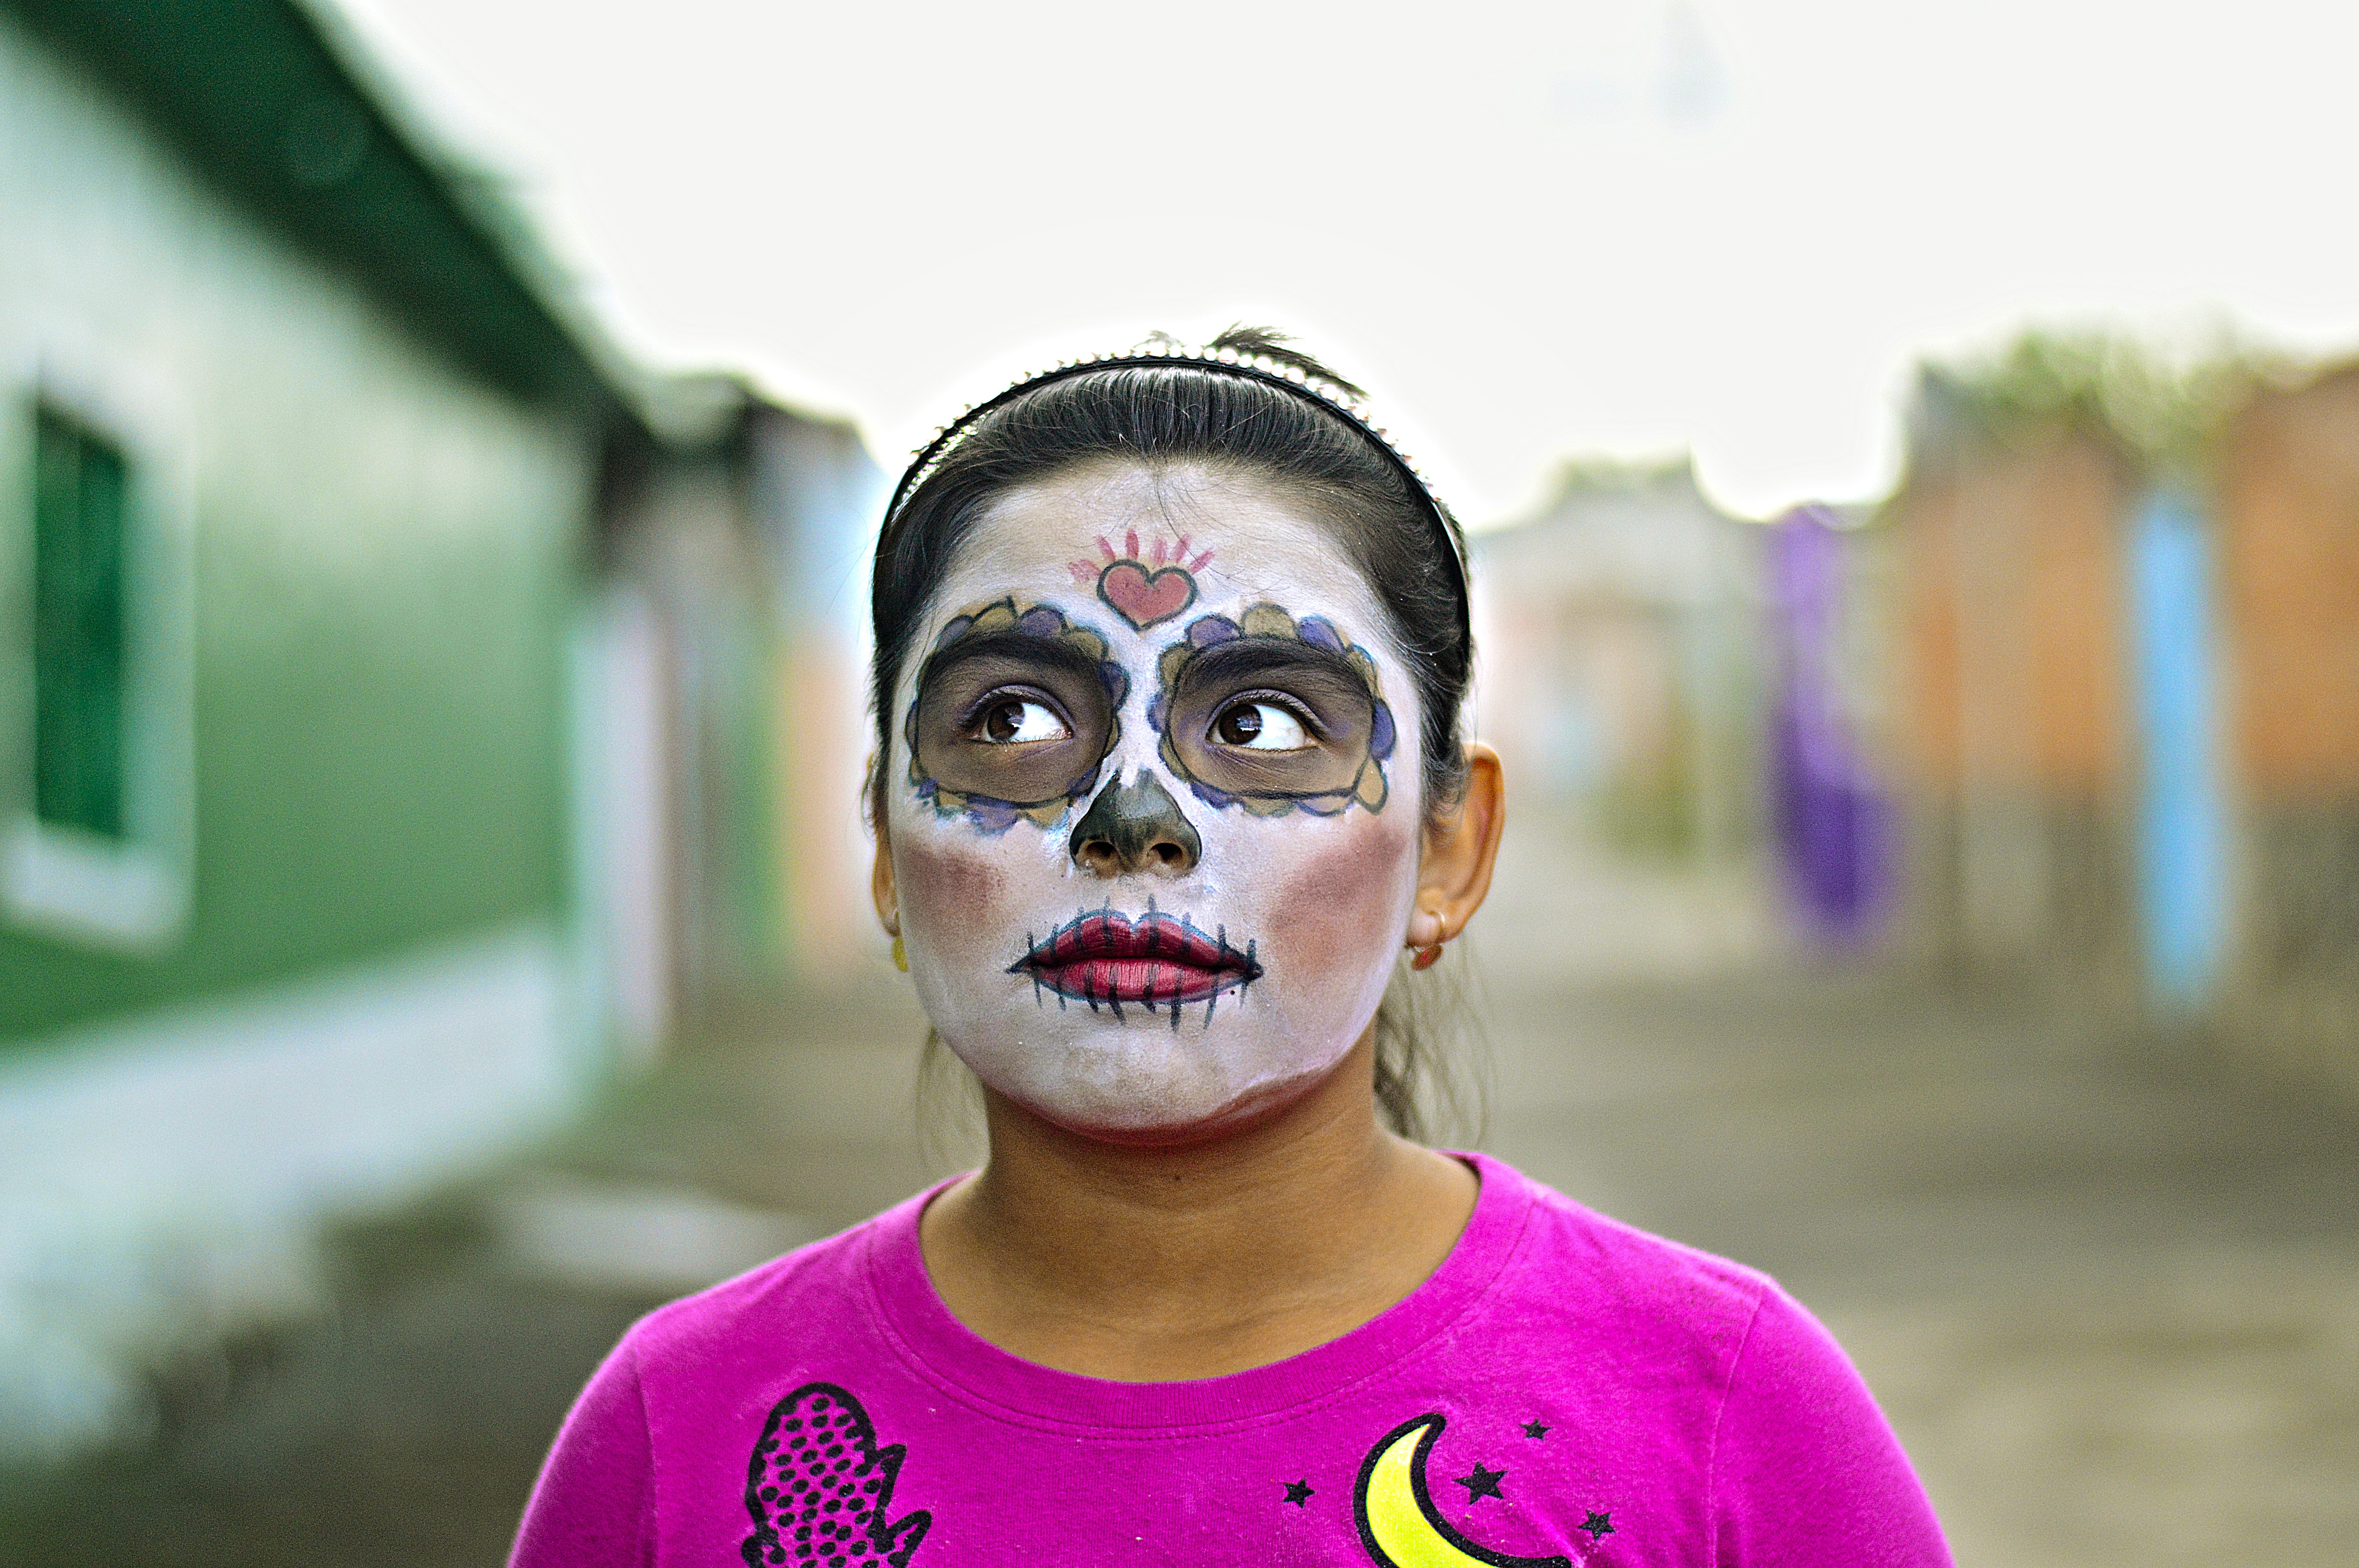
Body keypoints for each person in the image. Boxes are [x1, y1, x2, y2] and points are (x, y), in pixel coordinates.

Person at [511, 328, 1952, 1567]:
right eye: (1011, 721)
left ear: (1452, 849)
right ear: (886, 849)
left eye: (1262, 723)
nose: (1132, 820)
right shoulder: (682, 1438)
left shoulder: (1721, 1410)